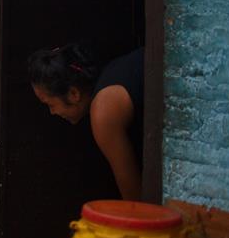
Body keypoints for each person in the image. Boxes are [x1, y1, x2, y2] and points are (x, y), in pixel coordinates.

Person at [27, 43, 144, 201]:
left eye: (51, 104)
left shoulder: (103, 111)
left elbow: (134, 198)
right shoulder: (113, 76)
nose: (52, 112)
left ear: (74, 94)